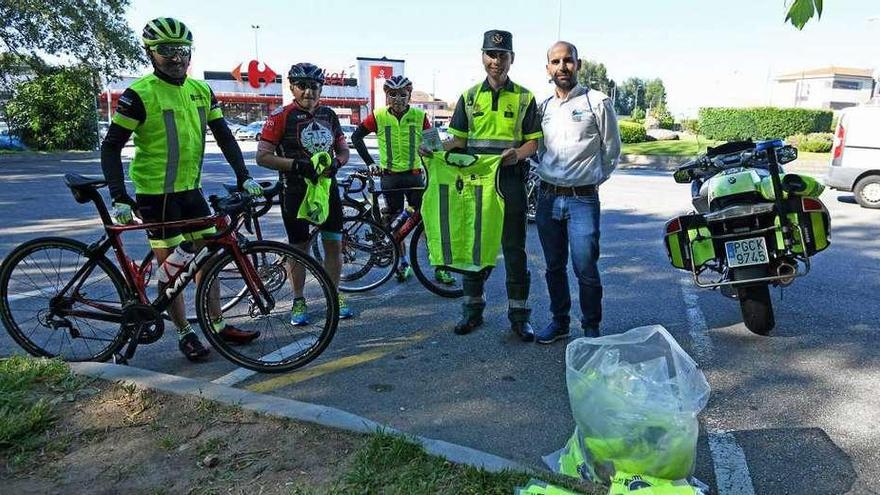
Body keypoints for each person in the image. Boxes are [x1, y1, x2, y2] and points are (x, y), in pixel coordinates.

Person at [100, 17, 262, 362]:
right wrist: (118, 194)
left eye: (182, 51)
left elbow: (224, 135)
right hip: (156, 196)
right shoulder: (139, 94)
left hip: (190, 190)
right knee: (172, 270)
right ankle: (185, 332)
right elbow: (111, 146)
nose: (176, 58)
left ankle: (216, 324)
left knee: (209, 257)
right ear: (151, 53)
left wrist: (243, 175)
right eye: (166, 52)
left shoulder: (201, 91)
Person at [425, 29, 542, 341]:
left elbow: (534, 143)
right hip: (477, 182)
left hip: (511, 180)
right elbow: (459, 140)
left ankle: (519, 317)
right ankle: (472, 311)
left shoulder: (525, 97)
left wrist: (517, 154)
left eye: (502, 55)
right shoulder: (469, 96)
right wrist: (435, 150)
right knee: (474, 246)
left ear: (511, 59)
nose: (496, 60)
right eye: (491, 54)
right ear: (482, 57)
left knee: (514, 249)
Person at [533, 41, 621, 344]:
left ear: (578, 64)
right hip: (546, 198)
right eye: (555, 62)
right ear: (548, 69)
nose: (562, 67)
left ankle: (591, 327)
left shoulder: (597, 102)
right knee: (554, 266)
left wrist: (593, 180)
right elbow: (540, 151)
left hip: (582, 199)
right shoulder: (543, 108)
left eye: (567, 61)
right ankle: (560, 322)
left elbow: (612, 150)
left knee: (585, 267)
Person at [255, 62, 354, 323]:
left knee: (333, 244)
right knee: (299, 249)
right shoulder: (281, 116)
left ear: (321, 88)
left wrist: (337, 163)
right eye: (302, 86)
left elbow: (344, 151)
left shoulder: (329, 116)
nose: (308, 92)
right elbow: (262, 157)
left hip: (326, 190)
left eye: (314, 86)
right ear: (292, 88)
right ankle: (298, 301)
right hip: (295, 191)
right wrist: (297, 166)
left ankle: (333, 295)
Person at [350, 75, 455, 285]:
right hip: (389, 177)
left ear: (409, 96)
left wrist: (443, 155)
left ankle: (440, 266)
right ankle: (403, 263)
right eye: (393, 95)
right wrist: (371, 162)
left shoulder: (419, 115)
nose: (398, 99)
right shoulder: (378, 115)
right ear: (387, 97)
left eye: (402, 94)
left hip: (415, 175)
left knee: (427, 221)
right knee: (394, 223)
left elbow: (433, 144)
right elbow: (356, 137)